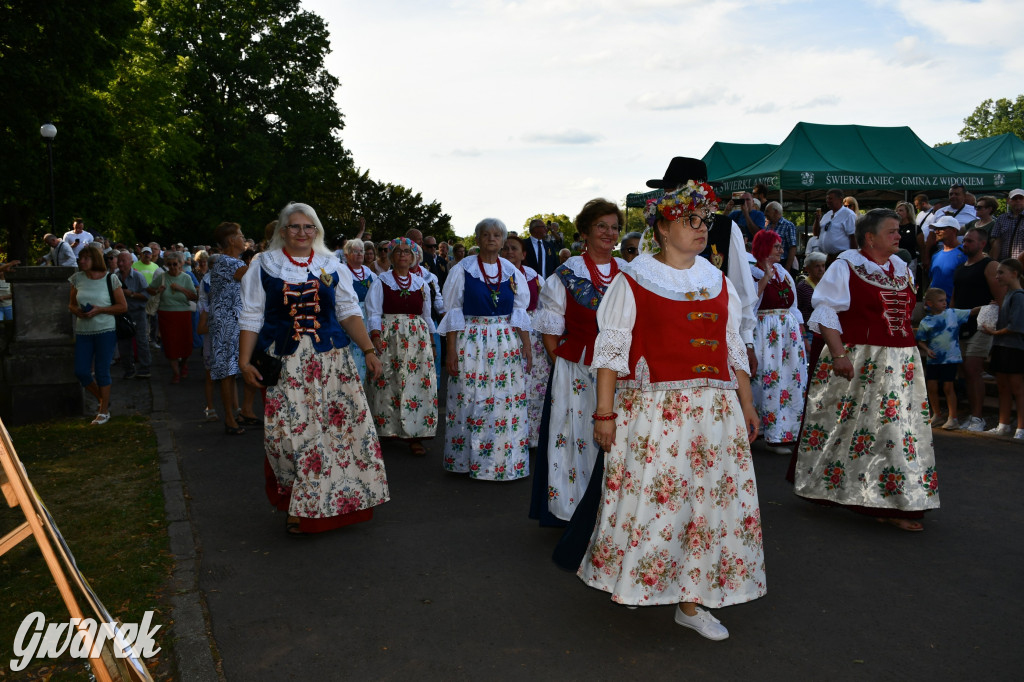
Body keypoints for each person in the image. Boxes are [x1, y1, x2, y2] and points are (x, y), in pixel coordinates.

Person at [578, 183, 765, 640]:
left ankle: (692, 600)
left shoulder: (717, 279)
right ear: (662, 227)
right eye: (690, 221)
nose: (701, 230)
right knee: (662, 501)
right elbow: (611, 350)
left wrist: (746, 402)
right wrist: (604, 414)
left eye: (704, 221)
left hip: (715, 411)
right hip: (657, 414)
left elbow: (732, 345)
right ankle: (644, 581)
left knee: (709, 505)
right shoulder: (635, 279)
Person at [239, 202, 388, 535]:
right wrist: (244, 360)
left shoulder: (332, 265)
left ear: (317, 231)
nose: (302, 233)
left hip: (332, 360)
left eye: (309, 227)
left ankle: (321, 506)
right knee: (287, 438)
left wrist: (369, 350)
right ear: (282, 231)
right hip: (287, 362)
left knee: (340, 434)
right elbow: (250, 316)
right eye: (294, 226)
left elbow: (349, 311)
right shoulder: (263, 265)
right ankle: (297, 496)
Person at [793, 208, 938, 532]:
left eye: (898, 230)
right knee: (864, 430)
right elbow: (826, 310)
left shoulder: (900, 266)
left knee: (902, 432)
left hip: (902, 362)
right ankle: (883, 501)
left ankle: (894, 497)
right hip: (864, 360)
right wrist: (839, 354)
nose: (899, 236)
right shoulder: (846, 266)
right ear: (869, 237)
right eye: (891, 231)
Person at [530, 199, 625, 523]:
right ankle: (575, 514)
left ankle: (611, 513)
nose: (609, 233)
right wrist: (564, 365)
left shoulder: (628, 276)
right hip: (576, 373)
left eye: (614, 227)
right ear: (585, 231)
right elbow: (550, 330)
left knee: (617, 442)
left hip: (621, 373)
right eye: (602, 226)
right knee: (577, 441)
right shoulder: (565, 276)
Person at [439, 218, 532, 481]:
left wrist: (526, 345)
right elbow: (454, 311)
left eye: (497, 235)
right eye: (486, 234)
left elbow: (519, 311)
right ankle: (469, 460)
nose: (492, 239)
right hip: (472, 339)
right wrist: (451, 351)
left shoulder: (511, 271)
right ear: (478, 239)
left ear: (503, 241)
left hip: (505, 340)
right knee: (472, 398)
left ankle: (502, 462)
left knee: (505, 401)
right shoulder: (463, 269)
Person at [365, 238, 438, 455]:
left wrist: (432, 342)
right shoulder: (381, 281)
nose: (403, 255)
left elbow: (427, 314)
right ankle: (385, 430)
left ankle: (415, 435)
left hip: (417, 339)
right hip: (390, 336)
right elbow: (373, 312)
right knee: (387, 381)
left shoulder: (421, 283)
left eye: (407, 252)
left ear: (414, 256)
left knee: (415, 383)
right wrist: (376, 336)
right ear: (391, 256)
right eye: (398, 251)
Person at [749, 230, 806, 448]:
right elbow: (750, 302)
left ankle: (784, 429)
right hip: (764, 332)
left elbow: (794, 306)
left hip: (786, 332)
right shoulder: (751, 272)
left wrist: (799, 330)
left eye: (781, 246)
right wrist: (765, 278)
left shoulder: (783, 272)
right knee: (765, 378)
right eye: (777, 246)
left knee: (787, 378)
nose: (781, 250)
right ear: (764, 248)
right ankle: (761, 429)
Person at [68, 244, 128, 425]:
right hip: (83, 331)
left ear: (95, 259)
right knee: (81, 371)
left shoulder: (110, 279)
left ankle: (103, 411)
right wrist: (77, 311)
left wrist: (100, 310)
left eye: (86, 258)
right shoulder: (77, 278)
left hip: (105, 330)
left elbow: (123, 306)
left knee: (102, 371)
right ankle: (104, 400)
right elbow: (71, 304)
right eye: (81, 258)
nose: (82, 261)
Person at [501, 234, 550, 449]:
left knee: (535, 387)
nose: (510, 252)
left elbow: (547, 305)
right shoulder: (495, 275)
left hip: (532, 333)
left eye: (514, 249)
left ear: (524, 254)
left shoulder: (535, 278)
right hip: (506, 332)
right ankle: (509, 435)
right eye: (506, 249)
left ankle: (533, 437)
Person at [952, 228, 1000, 432]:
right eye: (965, 241)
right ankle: (972, 415)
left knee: (973, 369)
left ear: (982, 244)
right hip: (961, 325)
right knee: (965, 371)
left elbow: (1000, 298)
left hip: (982, 325)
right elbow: (955, 296)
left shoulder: (990, 265)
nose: (965, 244)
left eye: (970, 241)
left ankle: (978, 418)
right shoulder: (960, 267)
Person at [916, 287, 979, 430]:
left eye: (945, 300)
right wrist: (927, 350)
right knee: (931, 386)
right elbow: (920, 340)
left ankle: (953, 417)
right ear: (930, 303)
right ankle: (937, 414)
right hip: (934, 359)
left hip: (950, 358)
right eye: (940, 301)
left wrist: (988, 307)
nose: (944, 303)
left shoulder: (952, 314)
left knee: (948, 386)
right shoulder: (926, 321)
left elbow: (972, 311)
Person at [208, 222, 249, 434]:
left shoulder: (234, 261)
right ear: (232, 240)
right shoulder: (226, 262)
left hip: (233, 323)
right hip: (226, 325)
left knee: (231, 372)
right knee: (226, 372)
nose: (245, 239)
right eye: (241, 236)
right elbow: (249, 273)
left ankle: (235, 413)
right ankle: (229, 419)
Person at [979, 259, 1024, 439]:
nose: (997, 277)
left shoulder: (1019, 295)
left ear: (1014, 273)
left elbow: (1016, 326)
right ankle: (1003, 424)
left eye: (1001, 273)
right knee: (1003, 387)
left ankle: (1021, 428)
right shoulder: (1008, 295)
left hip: (1014, 348)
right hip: (1002, 346)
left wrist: (994, 332)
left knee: (1017, 388)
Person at [147, 251, 197, 384]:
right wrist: (158, 291)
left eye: (175, 264)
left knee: (186, 343)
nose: (172, 267)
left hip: (183, 313)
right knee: (170, 344)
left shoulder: (186, 278)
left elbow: (194, 296)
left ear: (180, 265)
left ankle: (184, 363)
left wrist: (180, 288)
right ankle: (176, 373)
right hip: (166, 314)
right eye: (169, 264)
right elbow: (149, 289)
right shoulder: (162, 277)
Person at [342, 238, 378, 383]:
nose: (359, 254)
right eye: (355, 251)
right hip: (351, 317)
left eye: (361, 251)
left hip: (368, 316)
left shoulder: (370, 273)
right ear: (347, 254)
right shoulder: (343, 272)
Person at [115, 250, 152, 380]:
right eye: (118, 260)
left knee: (141, 341)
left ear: (131, 263)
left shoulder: (138, 277)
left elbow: (146, 296)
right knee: (123, 343)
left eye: (123, 261)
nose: (120, 263)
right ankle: (128, 369)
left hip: (137, 313)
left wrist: (130, 293)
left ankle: (145, 368)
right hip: (122, 315)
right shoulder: (114, 276)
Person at [928, 216, 967, 300]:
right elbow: (933, 281)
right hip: (934, 309)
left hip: (954, 309)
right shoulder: (935, 255)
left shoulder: (965, 253)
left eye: (941, 228)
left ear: (954, 230)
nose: (936, 232)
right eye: (935, 229)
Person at [796, 252, 826, 354]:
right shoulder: (802, 287)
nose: (821, 269)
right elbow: (797, 312)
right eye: (817, 266)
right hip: (809, 333)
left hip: (825, 332)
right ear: (807, 269)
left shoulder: (827, 285)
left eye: (823, 265)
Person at [814, 188, 858, 258]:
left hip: (842, 257)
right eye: (827, 199)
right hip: (826, 257)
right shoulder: (827, 215)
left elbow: (853, 237)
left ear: (840, 199)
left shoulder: (848, 214)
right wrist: (817, 220)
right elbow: (816, 234)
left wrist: (853, 257)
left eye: (830, 199)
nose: (828, 201)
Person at [989, 189, 1024, 261]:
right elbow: (997, 241)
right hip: (1005, 262)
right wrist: (994, 261)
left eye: (1021, 198)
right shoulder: (1001, 218)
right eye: (1014, 198)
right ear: (1008, 201)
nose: (1018, 201)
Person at [763, 201, 797, 272]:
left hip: (782, 263)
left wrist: (787, 269)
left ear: (775, 212)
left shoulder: (788, 225)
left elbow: (792, 248)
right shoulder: (768, 226)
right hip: (770, 263)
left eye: (767, 211)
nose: (765, 214)